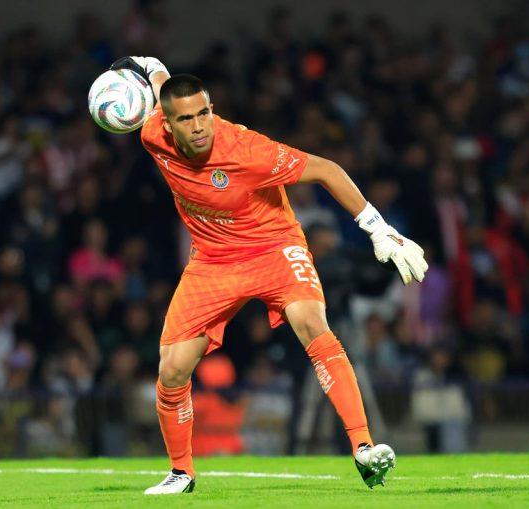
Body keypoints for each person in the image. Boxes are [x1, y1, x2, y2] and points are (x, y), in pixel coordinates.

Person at [107, 56, 428, 495]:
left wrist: (378, 229)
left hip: (273, 246)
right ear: (168, 122)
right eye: (186, 119)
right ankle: (181, 474)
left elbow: (326, 170)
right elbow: (160, 77)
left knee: (312, 324)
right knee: (173, 370)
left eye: (204, 113)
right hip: (213, 260)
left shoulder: (246, 150)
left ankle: (364, 448)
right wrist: (145, 64)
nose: (198, 126)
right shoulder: (151, 132)